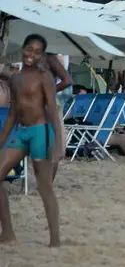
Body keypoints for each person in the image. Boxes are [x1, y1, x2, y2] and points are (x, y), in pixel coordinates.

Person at [0, 35, 66, 246]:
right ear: (23, 48)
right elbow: (12, 114)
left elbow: (53, 111)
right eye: (29, 49)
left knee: (44, 187)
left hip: (41, 132)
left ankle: (55, 240)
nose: (32, 55)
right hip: (21, 132)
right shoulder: (15, 78)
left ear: (42, 55)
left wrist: (59, 145)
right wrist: (1, 141)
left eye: (37, 52)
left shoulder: (44, 77)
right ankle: (8, 233)